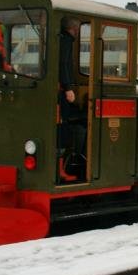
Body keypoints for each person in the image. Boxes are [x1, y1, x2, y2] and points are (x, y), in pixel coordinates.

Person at [58, 16, 84, 182]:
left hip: (60, 90)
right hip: (61, 93)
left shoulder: (61, 39)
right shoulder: (66, 41)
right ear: (73, 28)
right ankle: (62, 167)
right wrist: (68, 88)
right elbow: (64, 64)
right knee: (64, 128)